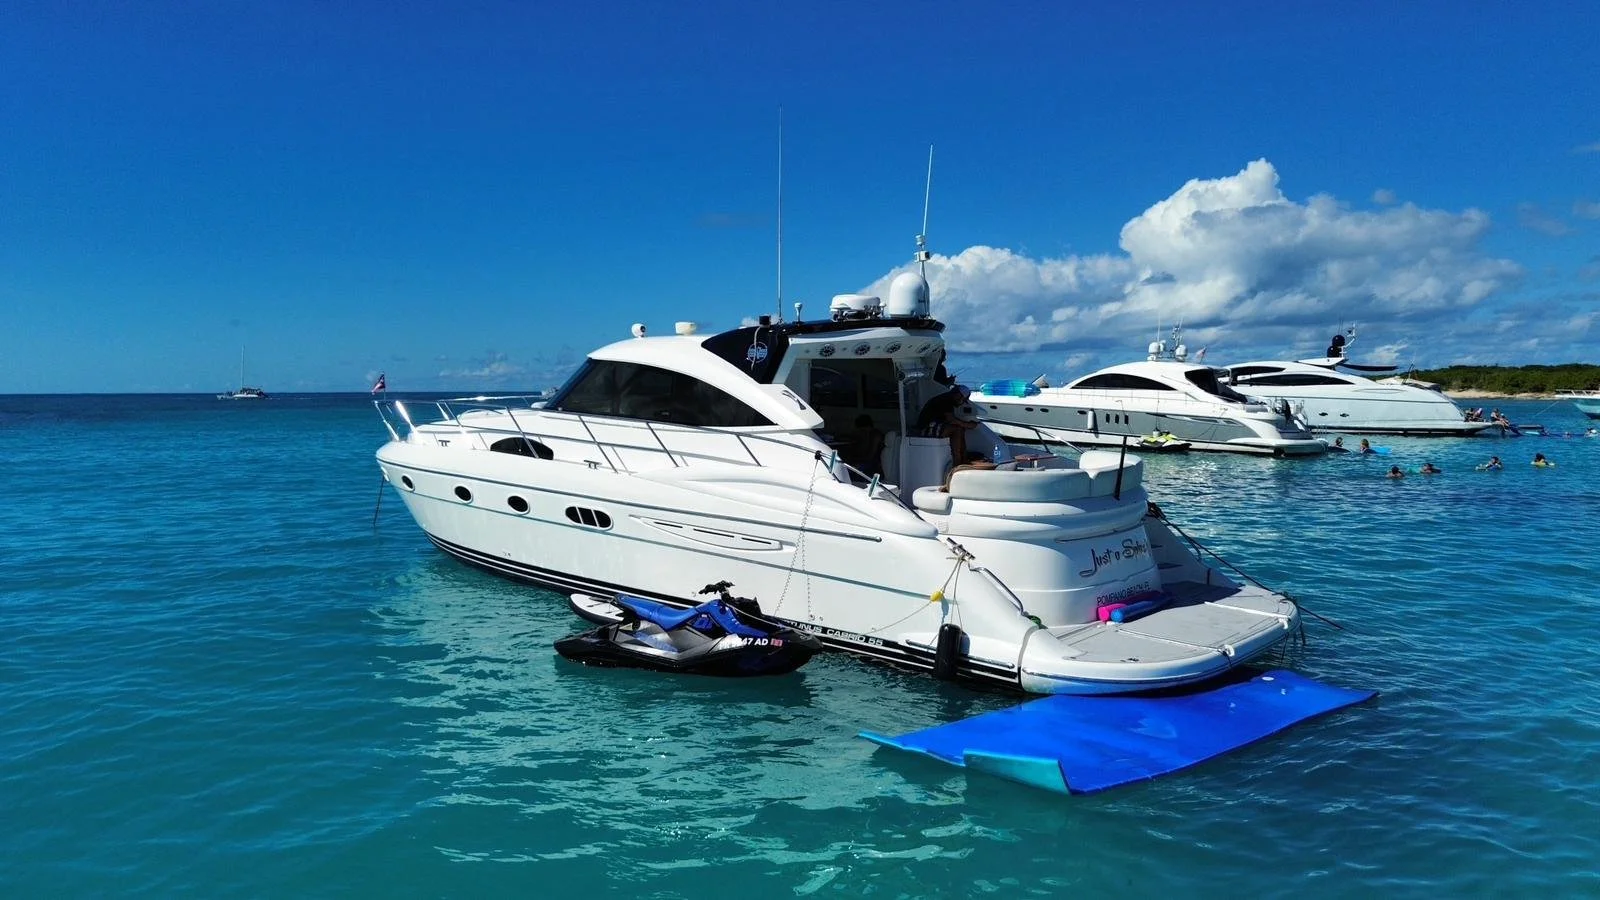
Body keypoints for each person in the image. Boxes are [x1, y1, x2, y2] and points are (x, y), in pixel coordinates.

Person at [916, 384, 979, 464]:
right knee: (957, 430)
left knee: (960, 428)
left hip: (932, 426)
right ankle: (958, 462)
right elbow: (952, 420)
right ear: (958, 395)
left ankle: (963, 458)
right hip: (925, 429)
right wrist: (969, 425)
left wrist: (965, 424)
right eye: (963, 400)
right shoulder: (946, 401)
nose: (962, 403)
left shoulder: (946, 398)